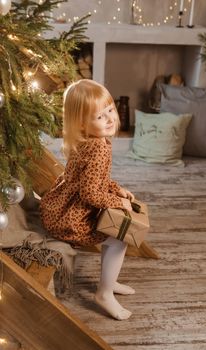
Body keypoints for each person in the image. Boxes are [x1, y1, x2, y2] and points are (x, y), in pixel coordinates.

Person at [40, 79, 135, 320]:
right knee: (118, 239)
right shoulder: (98, 148)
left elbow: (93, 179)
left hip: (60, 206)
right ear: (82, 123)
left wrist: (116, 188)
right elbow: (90, 194)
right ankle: (104, 292)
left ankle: (109, 281)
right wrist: (117, 201)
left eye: (110, 110)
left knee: (115, 234)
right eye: (100, 117)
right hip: (70, 218)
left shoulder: (87, 140)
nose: (110, 118)